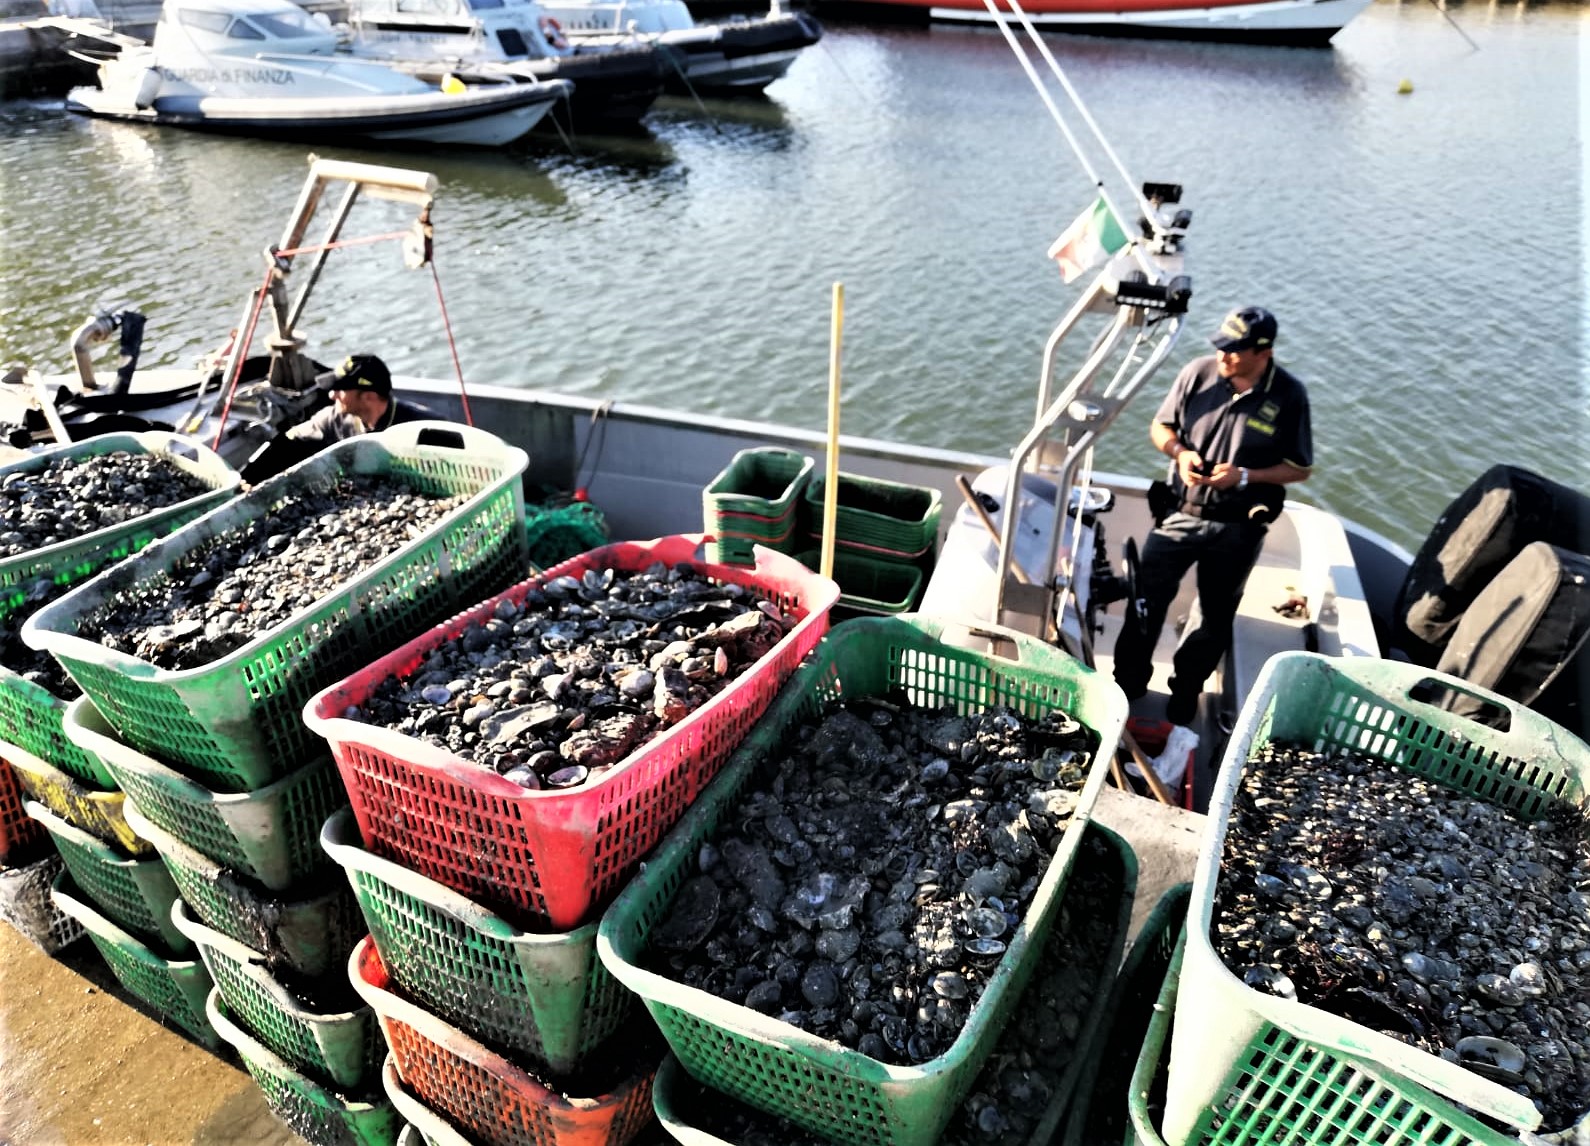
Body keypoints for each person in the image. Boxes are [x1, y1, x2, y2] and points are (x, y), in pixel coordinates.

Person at [1111, 306, 1313, 727]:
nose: (1223, 357)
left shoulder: (1290, 395)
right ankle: (1126, 685)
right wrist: (1180, 454)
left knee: (1214, 617)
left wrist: (1243, 477)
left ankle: (1185, 691)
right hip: (1179, 512)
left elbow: (1299, 468)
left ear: (1264, 352)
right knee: (1144, 602)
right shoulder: (1197, 373)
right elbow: (1159, 428)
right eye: (1220, 347)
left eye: (1234, 351)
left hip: (1239, 528)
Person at [239, 353, 434, 483]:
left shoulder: (423, 426)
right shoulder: (333, 419)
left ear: (369, 396)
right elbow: (290, 441)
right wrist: (250, 478)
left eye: (340, 390)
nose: (332, 395)